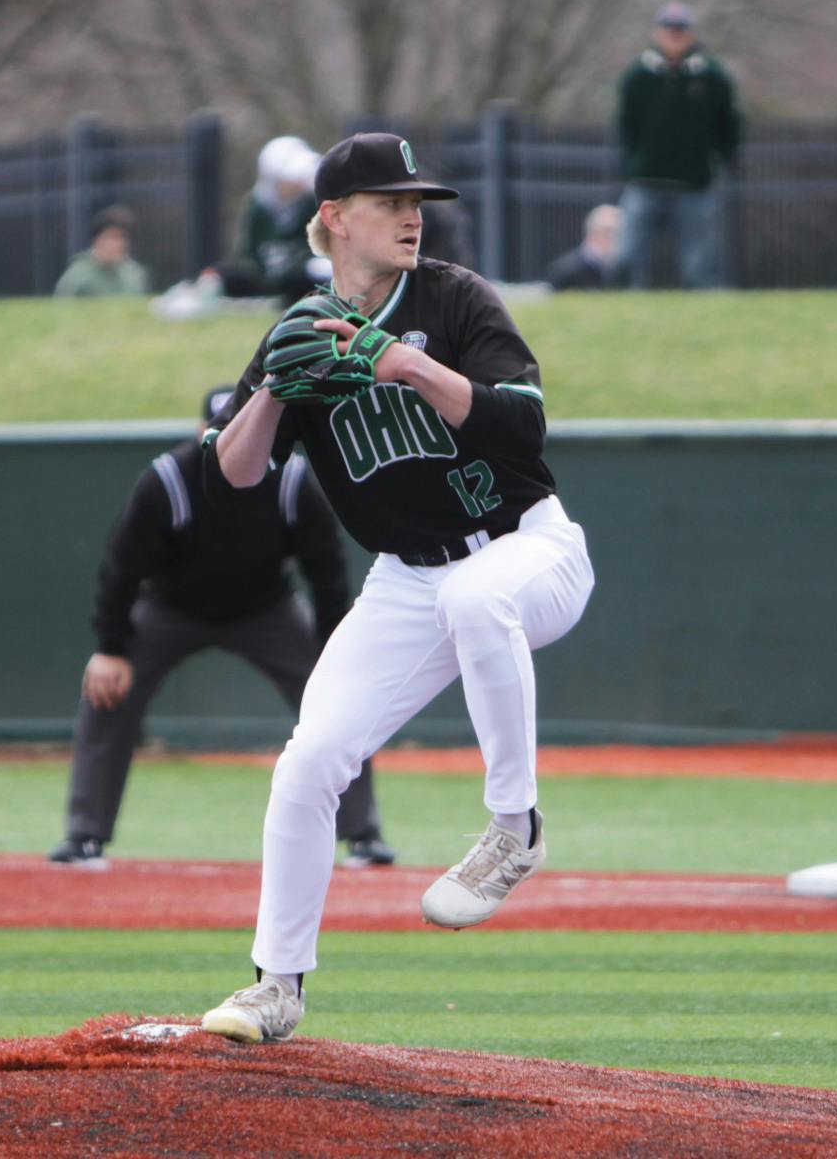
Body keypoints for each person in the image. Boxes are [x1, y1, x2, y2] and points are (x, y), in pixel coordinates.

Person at [197, 132, 596, 1043]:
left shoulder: (455, 298)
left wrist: (406, 361)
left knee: (474, 597)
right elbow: (234, 476)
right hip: (405, 581)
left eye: (418, 202)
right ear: (334, 219)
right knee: (308, 762)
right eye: (390, 201)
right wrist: (271, 390)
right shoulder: (297, 326)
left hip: (530, 548)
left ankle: (514, 827)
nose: (414, 215)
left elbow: (526, 428)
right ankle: (276, 985)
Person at [49, 386, 395, 871]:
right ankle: (85, 837)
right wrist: (110, 648)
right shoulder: (168, 480)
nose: (236, 441)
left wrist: (336, 647)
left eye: (245, 428)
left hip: (267, 609)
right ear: (200, 434)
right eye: (221, 432)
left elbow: (327, 572)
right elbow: (122, 566)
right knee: (107, 695)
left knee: (337, 699)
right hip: (171, 608)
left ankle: (364, 834)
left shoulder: (292, 481)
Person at [613, 1, 741, 290]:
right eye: (669, 29)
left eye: (680, 29)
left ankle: (703, 314)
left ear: (691, 34)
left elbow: (730, 125)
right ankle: (621, 305)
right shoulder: (638, 76)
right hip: (646, 180)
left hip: (694, 183)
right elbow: (625, 127)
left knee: (699, 265)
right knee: (626, 255)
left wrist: (718, 159)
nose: (674, 35)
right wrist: (633, 163)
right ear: (657, 33)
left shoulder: (712, 77)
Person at [213, 137, 328, 302]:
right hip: (268, 280)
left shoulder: (311, 203)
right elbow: (249, 257)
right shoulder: (258, 207)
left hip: (303, 281)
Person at [54, 205, 150, 297]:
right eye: (112, 237)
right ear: (96, 239)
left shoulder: (135, 274)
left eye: (123, 238)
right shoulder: (78, 276)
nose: (118, 244)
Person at [544, 204, 623, 291]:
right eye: (608, 231)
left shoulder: (621, 268)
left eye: (618, 232)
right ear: (593, 231)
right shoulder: (565, 269)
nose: (613, 237)